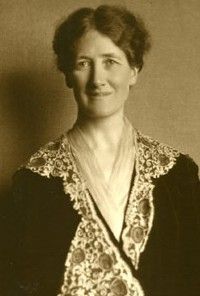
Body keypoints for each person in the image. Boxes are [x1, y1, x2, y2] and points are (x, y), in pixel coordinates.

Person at [2, 5, 200, 296]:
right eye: (84, 63)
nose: (97, 80)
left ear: (134, 71)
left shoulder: (177, 176)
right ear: (69, 74)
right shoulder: (34, 182)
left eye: (110, 62)